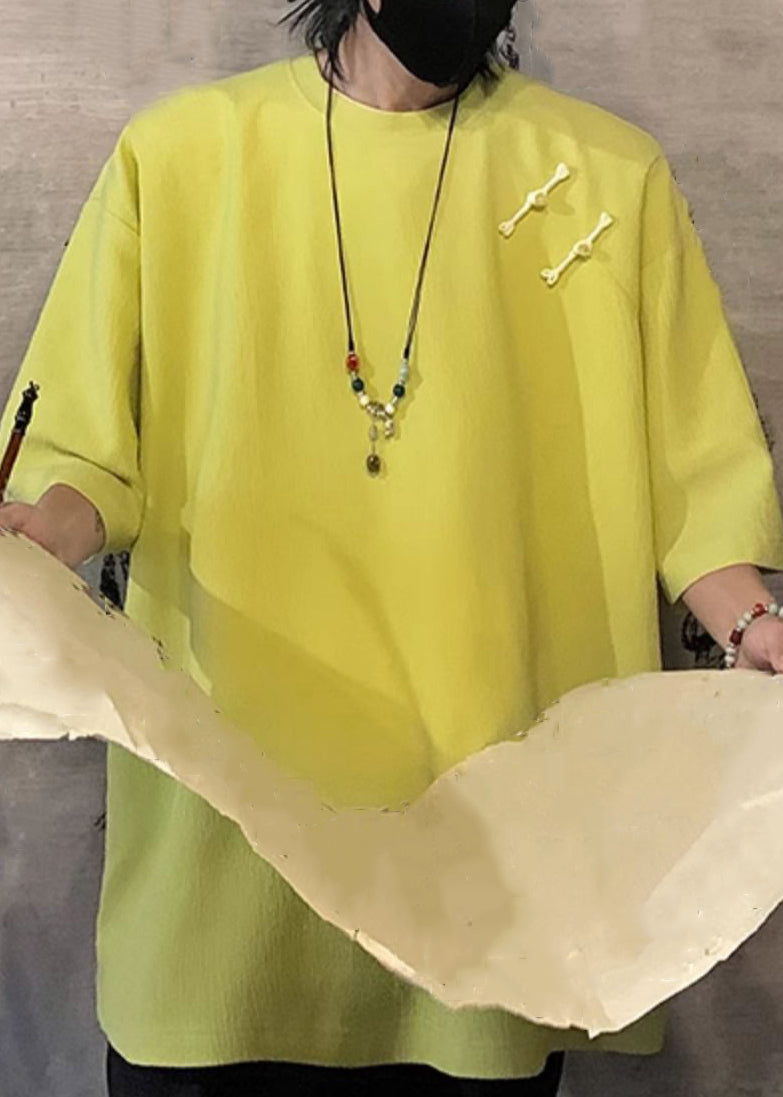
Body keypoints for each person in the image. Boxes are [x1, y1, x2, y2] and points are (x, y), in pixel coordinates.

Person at [2, 1, 783, 1094]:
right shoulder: (178, 156)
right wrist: (45, 531)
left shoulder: (606, 176)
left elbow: (693, 474)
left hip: (491, 838)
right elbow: (83, 449)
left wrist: (752, 624)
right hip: (228, 828)